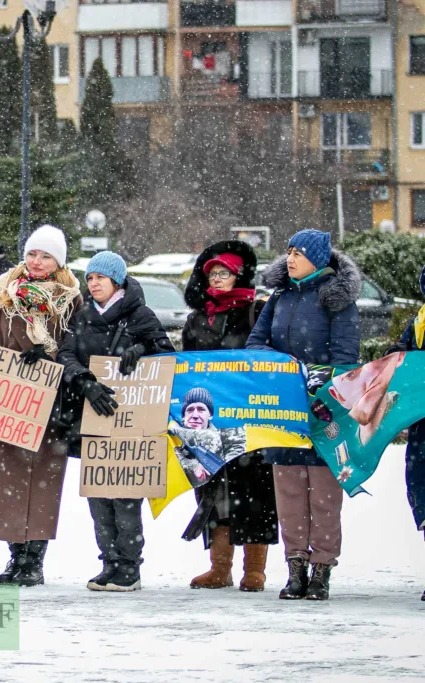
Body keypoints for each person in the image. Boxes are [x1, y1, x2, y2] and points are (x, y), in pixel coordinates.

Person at [0, 225, 84, 587]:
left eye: (45, 256)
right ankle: (16, 555)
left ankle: (34, 559)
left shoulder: (71, 299)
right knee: (2, 484)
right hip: (3, 403)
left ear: (58, 261)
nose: (36, 261)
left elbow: (78, 346)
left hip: (47, 405)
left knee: (40, 486)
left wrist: (50, 355)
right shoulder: (1, 293)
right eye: (32, 254)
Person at [247, 229, 361, 601]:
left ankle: (322, 569)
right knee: (290, 492)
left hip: (324, 411)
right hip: (284, 409)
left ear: (317, 259)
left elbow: (346, 358)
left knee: (324, 495)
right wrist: (284, 368)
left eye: (299, 253)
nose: (291, 258)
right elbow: (256, 343)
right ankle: (295, 566)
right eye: (289, 251)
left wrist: (316, 383)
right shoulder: (280, 296)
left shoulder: (336, 298)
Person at [57, 250, 175, 592]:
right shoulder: (81, 315)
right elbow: (66, 354)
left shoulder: (140, 314)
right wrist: (84, 381)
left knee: (125, 494)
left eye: (100, 278)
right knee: (98, 494)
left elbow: (167, 355)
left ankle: (129, 565)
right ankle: (108, 562)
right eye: (90, 278)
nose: (93, 284)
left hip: (131, 420)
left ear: (117, 281)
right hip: (92, 414)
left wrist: (141, 350)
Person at [181, 240, 277, 593]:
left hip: (250, 420)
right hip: (209, 422)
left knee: (255, 491)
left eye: (225, 273)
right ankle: (219, 567)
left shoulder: (257, 312)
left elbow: (271, 362)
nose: (217, 279)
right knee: (214, 491)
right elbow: (186, 367)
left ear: (240, 276)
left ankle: (255, 569)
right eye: (213, 274)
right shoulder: (196, 319)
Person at [386, 265, 425, 600]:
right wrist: (393, 359)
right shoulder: (420, 320)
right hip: (422, 423)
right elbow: (401, 353)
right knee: (422, 489)